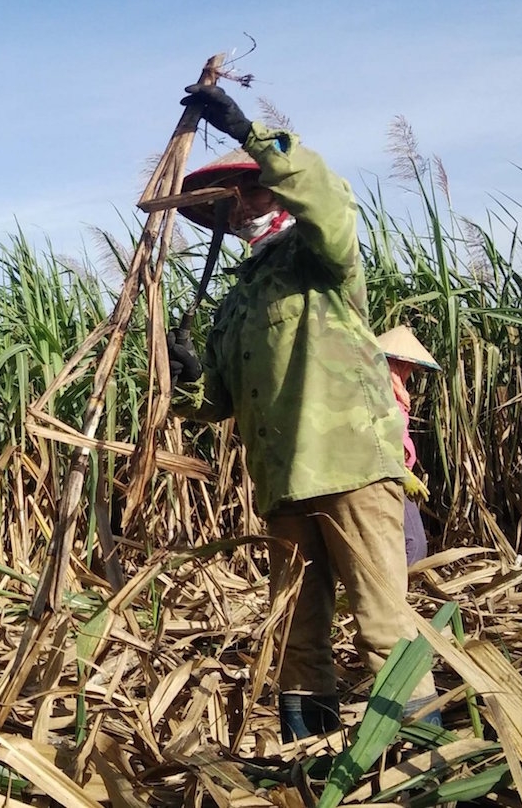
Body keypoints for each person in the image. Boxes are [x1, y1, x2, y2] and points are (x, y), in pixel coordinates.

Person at [167, 84, 438, 741]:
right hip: (284, 486)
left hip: (350, 470)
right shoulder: (236, 305)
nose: (241, 211)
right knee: (296, 636)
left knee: (382, 626)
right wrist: (184, 379)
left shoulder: (323, 263)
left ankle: (426, 763)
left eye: (253, 193)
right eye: (230, 206)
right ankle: (310, 758)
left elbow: (325, 194)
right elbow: (221, 405)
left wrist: (244, 128)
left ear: (281, 199)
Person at [376, 325, 442, 566]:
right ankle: (384, 600)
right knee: (413, 546)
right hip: (388, 476)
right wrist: (402, 473)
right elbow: (373, 440)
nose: (408, 372)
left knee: (396, 543)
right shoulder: (377, 396)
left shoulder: (395, 396)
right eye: (402, 366)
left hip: (396, 474)